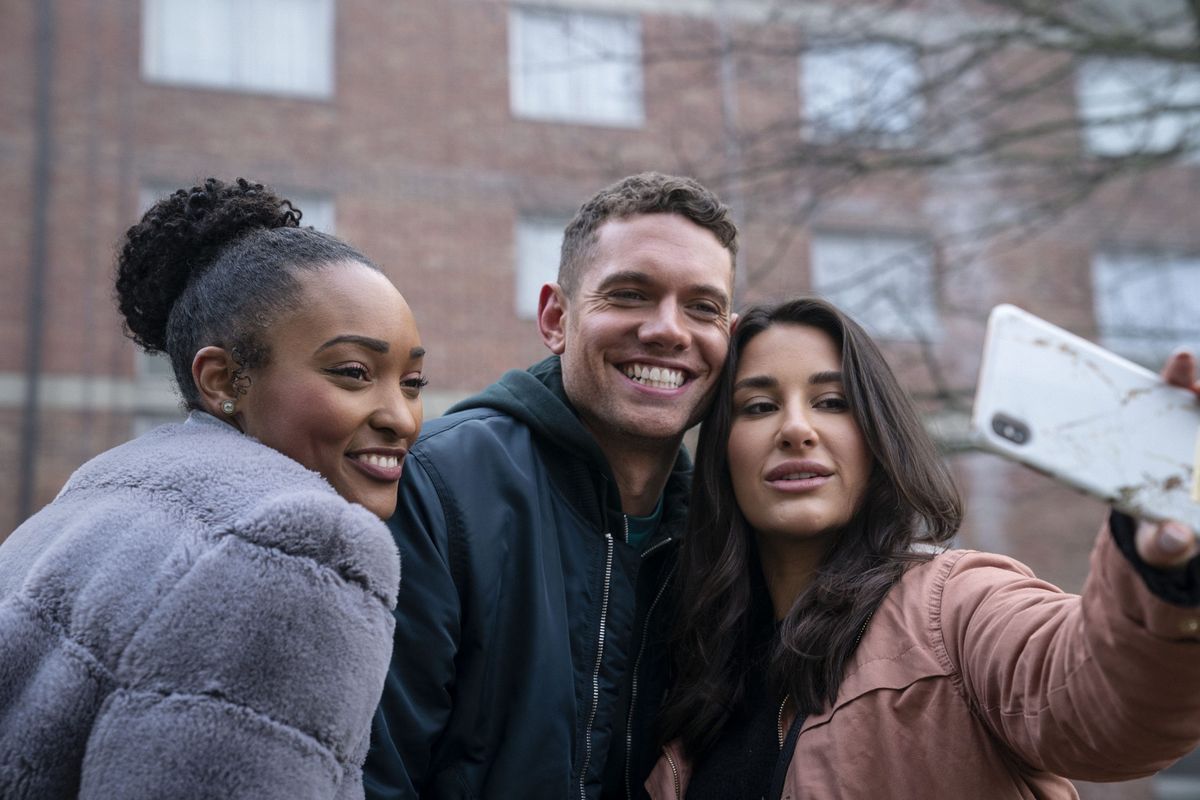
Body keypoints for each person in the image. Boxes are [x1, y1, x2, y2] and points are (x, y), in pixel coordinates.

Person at [646, 296, 1200, 799]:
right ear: (722, 453)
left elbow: (1097, 706)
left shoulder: (956, 607)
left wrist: (1162, 574)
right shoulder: (685, 674)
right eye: (760, 406)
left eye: (833, 402)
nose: (796, 429)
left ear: (876, 438)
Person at [0, 178, 426, 799]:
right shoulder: (294, 548)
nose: (402, 418)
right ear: (224, 378)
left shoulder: (100, 494)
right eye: (353, 373)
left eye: (413, 382)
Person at [363, 172, 738, 800]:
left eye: (703, 307)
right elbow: (370, 774)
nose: (669, 330)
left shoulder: (722, 537)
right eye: (629, 294)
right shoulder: (435, 487)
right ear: (556, 317)